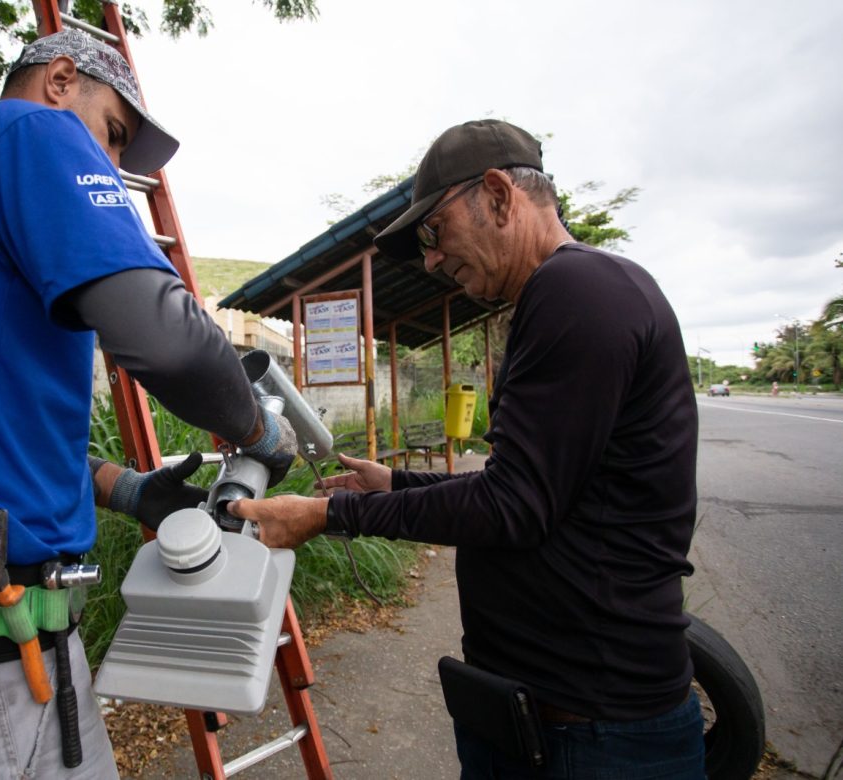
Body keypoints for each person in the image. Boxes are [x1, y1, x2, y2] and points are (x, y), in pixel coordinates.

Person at [0, 28, 295, 779]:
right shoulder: (30, 129)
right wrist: (257, 427)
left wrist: (124, 488)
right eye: (111, 134)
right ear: (60, 79)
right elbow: (167, 341)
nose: (107, 165)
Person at [227, 119, 704, 777]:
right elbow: (535, 488)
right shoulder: (568, 295)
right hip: (548, 715)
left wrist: (330, 516)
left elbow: (516, 505)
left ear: (499, 194)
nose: (430, 260)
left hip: (593, 732)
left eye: (434, 231)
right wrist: (395, 487)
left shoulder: (579, 292)